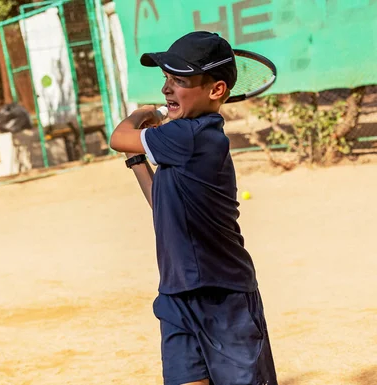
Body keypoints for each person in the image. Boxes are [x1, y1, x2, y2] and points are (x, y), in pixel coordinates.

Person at [109, 31, 278, 385]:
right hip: (176, 293)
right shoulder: (181, 138)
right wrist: (139, 159)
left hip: (223, 297)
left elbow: (117, 136)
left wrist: (142, 113)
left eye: (180, 79)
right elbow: (163, 207)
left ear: (216, 90)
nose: (167, 89)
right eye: (166, 78)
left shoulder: (193, 135)